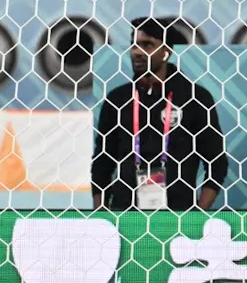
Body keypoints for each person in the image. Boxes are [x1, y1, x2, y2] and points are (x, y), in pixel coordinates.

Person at [91, 17, 228, 211]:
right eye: (134, 45)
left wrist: (198, 213)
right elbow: (102, 163)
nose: (137, 52)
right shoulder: (118, 99)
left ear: (166, 52)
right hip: (125, 215)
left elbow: (217, 162)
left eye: (147, 45)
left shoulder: (195, 98)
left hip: (179, 216)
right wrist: (102, 216)